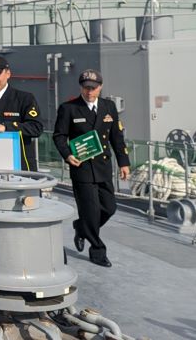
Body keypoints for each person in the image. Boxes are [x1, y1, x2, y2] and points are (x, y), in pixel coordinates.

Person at [53, 69, 131, 268]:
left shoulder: (108, 107)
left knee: (109, 208)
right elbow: (59, 136)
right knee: (90, 211)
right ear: (81, 88)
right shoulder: (69, 108)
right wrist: (67, 155)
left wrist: (123, 162)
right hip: (82, 168)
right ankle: (97, 250)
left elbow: (116, 137)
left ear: (100, 87)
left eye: (93, 88)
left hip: (103, 166)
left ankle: (81, 227)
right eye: (86, 88)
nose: (89, 92)